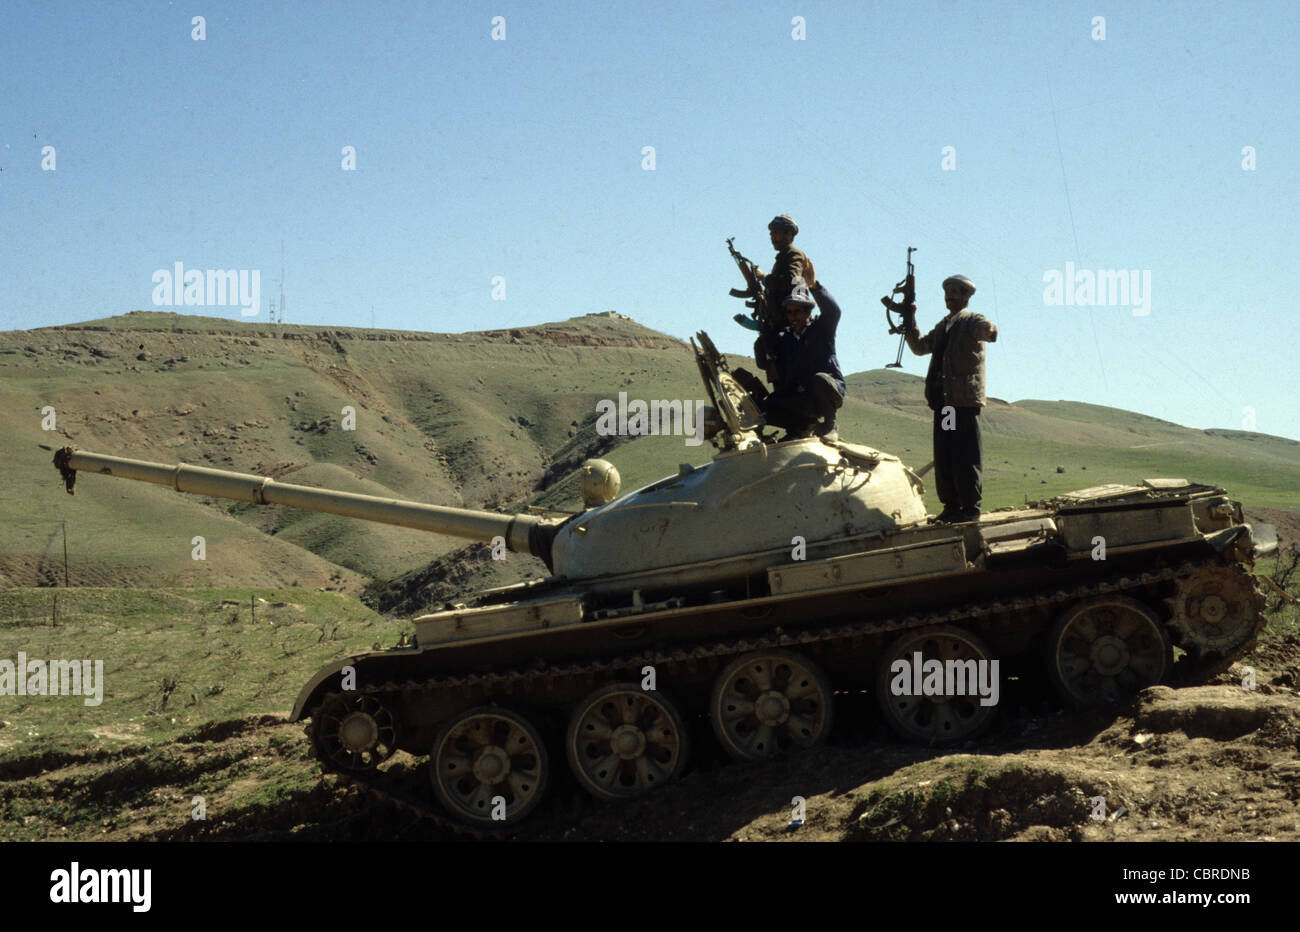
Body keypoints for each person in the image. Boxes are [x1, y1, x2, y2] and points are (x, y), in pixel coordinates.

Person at [904, 275, 997, 523]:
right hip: (945, 405)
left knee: (965, 454)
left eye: (956, 292)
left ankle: (970, 509)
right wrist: (909, 319)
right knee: (945, 454)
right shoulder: (943, 326)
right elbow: (919, 347)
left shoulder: (971, 320)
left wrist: (990, 330)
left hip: (963, 402)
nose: (951, 296)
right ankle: (951, 507)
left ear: (967, 296)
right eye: (948, 291)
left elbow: (986, 330)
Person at [755, 259, 846, 441]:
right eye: (789, 312)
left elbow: (834, 311)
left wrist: (814, 286)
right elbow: (763, 362)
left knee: (820, 379)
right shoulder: (785, 339)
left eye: (797, 312)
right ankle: (799, 428)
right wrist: (765, 331)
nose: (792, 317)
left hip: (827, 392)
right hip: (801, 398)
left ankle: (830, 426)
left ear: (808, 313)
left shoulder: (821, 329)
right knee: (764, 406)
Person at [754, 214, 807, 325]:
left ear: (789, 235)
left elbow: (792, 280)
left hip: (789, 322)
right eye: (771, 234)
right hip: (778, 322)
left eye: (776, 233)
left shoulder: (794, 254)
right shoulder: (783, 257)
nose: (772, 237)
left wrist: (764, 278)